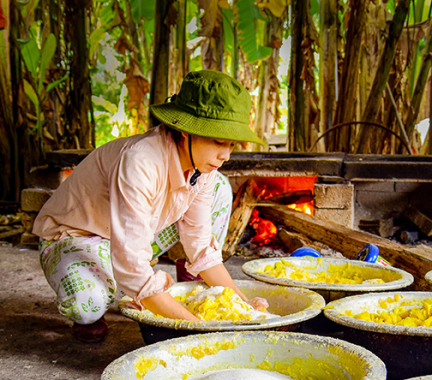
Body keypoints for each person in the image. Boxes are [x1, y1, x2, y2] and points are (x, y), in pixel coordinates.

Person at [33, 70, 268, 343]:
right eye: (218, 141)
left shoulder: (204, 169)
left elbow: (201, 244)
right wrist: (200, 329)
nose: (225, 155)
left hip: (132, 235)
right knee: (90, 304)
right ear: (184, 131)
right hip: (77, 237)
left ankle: (175, 287)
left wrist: (242, 306)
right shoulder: (140, 161)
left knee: (219, 187)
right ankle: (126, 293)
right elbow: (130, 262)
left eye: (231, 144)